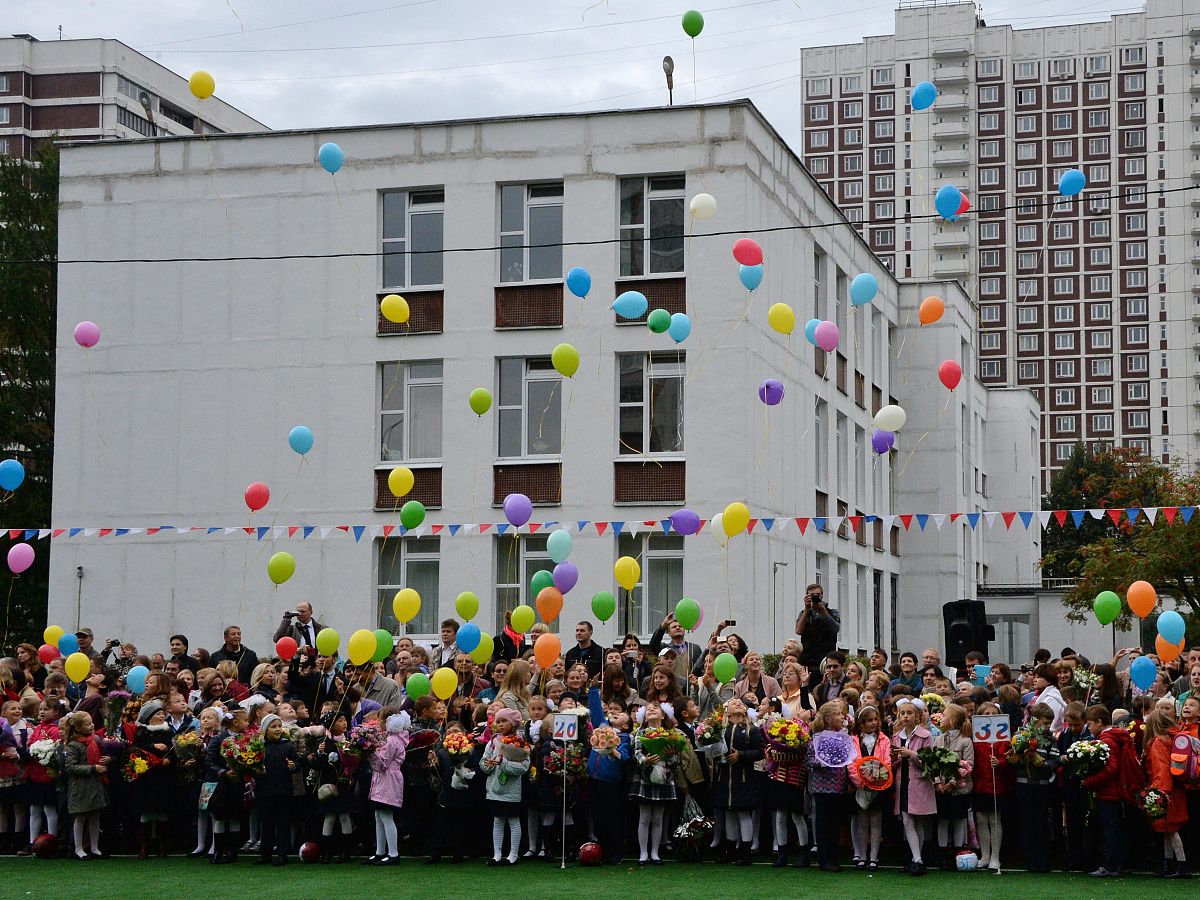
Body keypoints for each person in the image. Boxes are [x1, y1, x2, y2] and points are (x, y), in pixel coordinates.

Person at [1082, 704, 1144, 878]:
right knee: (1120, 828)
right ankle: (1123, 863)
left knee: (1111, 829)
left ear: (1099, 722)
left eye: (1090, 723)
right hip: (1121, 791)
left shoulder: (1107, 740)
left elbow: (1111, 768)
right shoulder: (1119, 737)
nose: (1088, 727)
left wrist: (1089, 781)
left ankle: (1110, 865)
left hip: (1110, 792)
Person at [629, 700, 683, 866]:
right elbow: (636, 752)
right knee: (644, 816)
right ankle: (643, 853)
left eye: (655, 709)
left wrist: (671, 754)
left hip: (664, 777)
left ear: (663, 715)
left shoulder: (670, 733)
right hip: (644, 778)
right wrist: (646, 760)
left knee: (658, 818)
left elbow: (675, 761)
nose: (651, 710)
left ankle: (655, 852)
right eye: (648, 709)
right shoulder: (640, 732)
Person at [806, 700, 856, 872]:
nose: (841, 717)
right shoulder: (817, 738)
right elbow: (809, 761)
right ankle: (824, 859)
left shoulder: (844, 736)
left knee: (835, 823)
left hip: (839, 786)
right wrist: (823, 762)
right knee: (823, 823)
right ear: (827, 718)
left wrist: (850, 780)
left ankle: (833, 858)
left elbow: (849, 761)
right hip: (822, 788)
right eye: (837, 714)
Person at [1142, 709, 1189, 877]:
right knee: (1168, 829)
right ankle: (1169, 863)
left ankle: (1180, 865)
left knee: (1170, 829)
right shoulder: (1173, 739)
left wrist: (1159, 793)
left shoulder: (1158, 742)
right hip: (1176, 789)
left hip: (1165, 790)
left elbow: (1161, 769)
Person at [892, 697, 935, 876]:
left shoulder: (926, 736)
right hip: (903, 783)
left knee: (917, 820)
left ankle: (918, 858)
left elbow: (930, 761)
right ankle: (917, 859)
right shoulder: (896, 737)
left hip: (918, 783)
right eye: (903, 713)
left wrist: (912, 754)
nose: (906, 716)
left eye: (910, 713)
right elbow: (894, 762)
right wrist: (894, 759)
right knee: (907, 820)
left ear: (917, 717)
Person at [481, 708, 528, 866]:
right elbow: (484, 761)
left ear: (513, 723)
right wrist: (487, 765)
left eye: (503, 721)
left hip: (511, 790)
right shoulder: (493, 741)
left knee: (513, 820)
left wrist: (504, 763)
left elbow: (523, 767)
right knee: (498, 820)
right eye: (498, 721)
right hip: (495, 788)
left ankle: (513, 854)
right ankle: (497, 854)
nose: (500, 724)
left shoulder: (520, 743)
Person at [62, 711, 109, 860]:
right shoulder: (73, 745)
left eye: (92, 722)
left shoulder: (94, 741)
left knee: (95, 816)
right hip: (80, 786)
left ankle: (94, 847)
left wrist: (106, 760)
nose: (92, 725)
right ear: (78, 728)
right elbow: (70, 767)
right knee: (81, 816)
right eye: (88, 724)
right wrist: (93, 768)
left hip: (95, 785)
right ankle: (78, 848)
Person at [931, 703, 973, 869]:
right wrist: (937, 782)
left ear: (953, 720)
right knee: (942, 820)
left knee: (957, 821)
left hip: (959, 790)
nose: (941, 717)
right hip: (941, 789)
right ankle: (943, 855)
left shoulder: (965, 741)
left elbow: (969, 765)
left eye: (945, 715)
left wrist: (952, 783)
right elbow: (933, 763)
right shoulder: (938, 739)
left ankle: (958, 853)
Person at [848, 704, 890, 870]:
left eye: (875, 720)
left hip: (879, 786)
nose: (873, 723)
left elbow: (886, 761)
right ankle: (862, 856)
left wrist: (878, 778)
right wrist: (861, 780)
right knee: (862, 822)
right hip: (861, 786)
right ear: (861, 724)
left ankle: (874, 857)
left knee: (876, 822)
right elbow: (852, 763)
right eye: (869, 720)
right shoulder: (854, 740)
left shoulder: (884, 739)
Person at [365, 712, 409, 866]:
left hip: (387, 779)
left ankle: (393, 852)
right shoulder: (396, 740)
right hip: (385, 779)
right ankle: (380, 851)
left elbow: (382, 763)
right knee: (379, 816)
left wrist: (369, 752)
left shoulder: (391, 741)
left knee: (386, 816)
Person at [794, 584, 840, 670]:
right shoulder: (804, 613)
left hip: (826, 659)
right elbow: (798, 631)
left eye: (818, 595)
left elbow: (835, 629)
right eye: (812, 595)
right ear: (807, 596)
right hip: (807, 659)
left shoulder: (832, 612)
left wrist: (822, 610)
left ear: (822, 595)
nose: (815, 597)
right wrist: (807, 609)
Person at [648, 615, 702, 683]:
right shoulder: (665, 648)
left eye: (680, 626)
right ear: (668, 632)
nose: (677, 628)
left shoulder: (695, 648)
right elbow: (653, 644)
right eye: (674, 627)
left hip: (691, 688)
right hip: (671, 687)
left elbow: (700, 667)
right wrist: (662, 627)